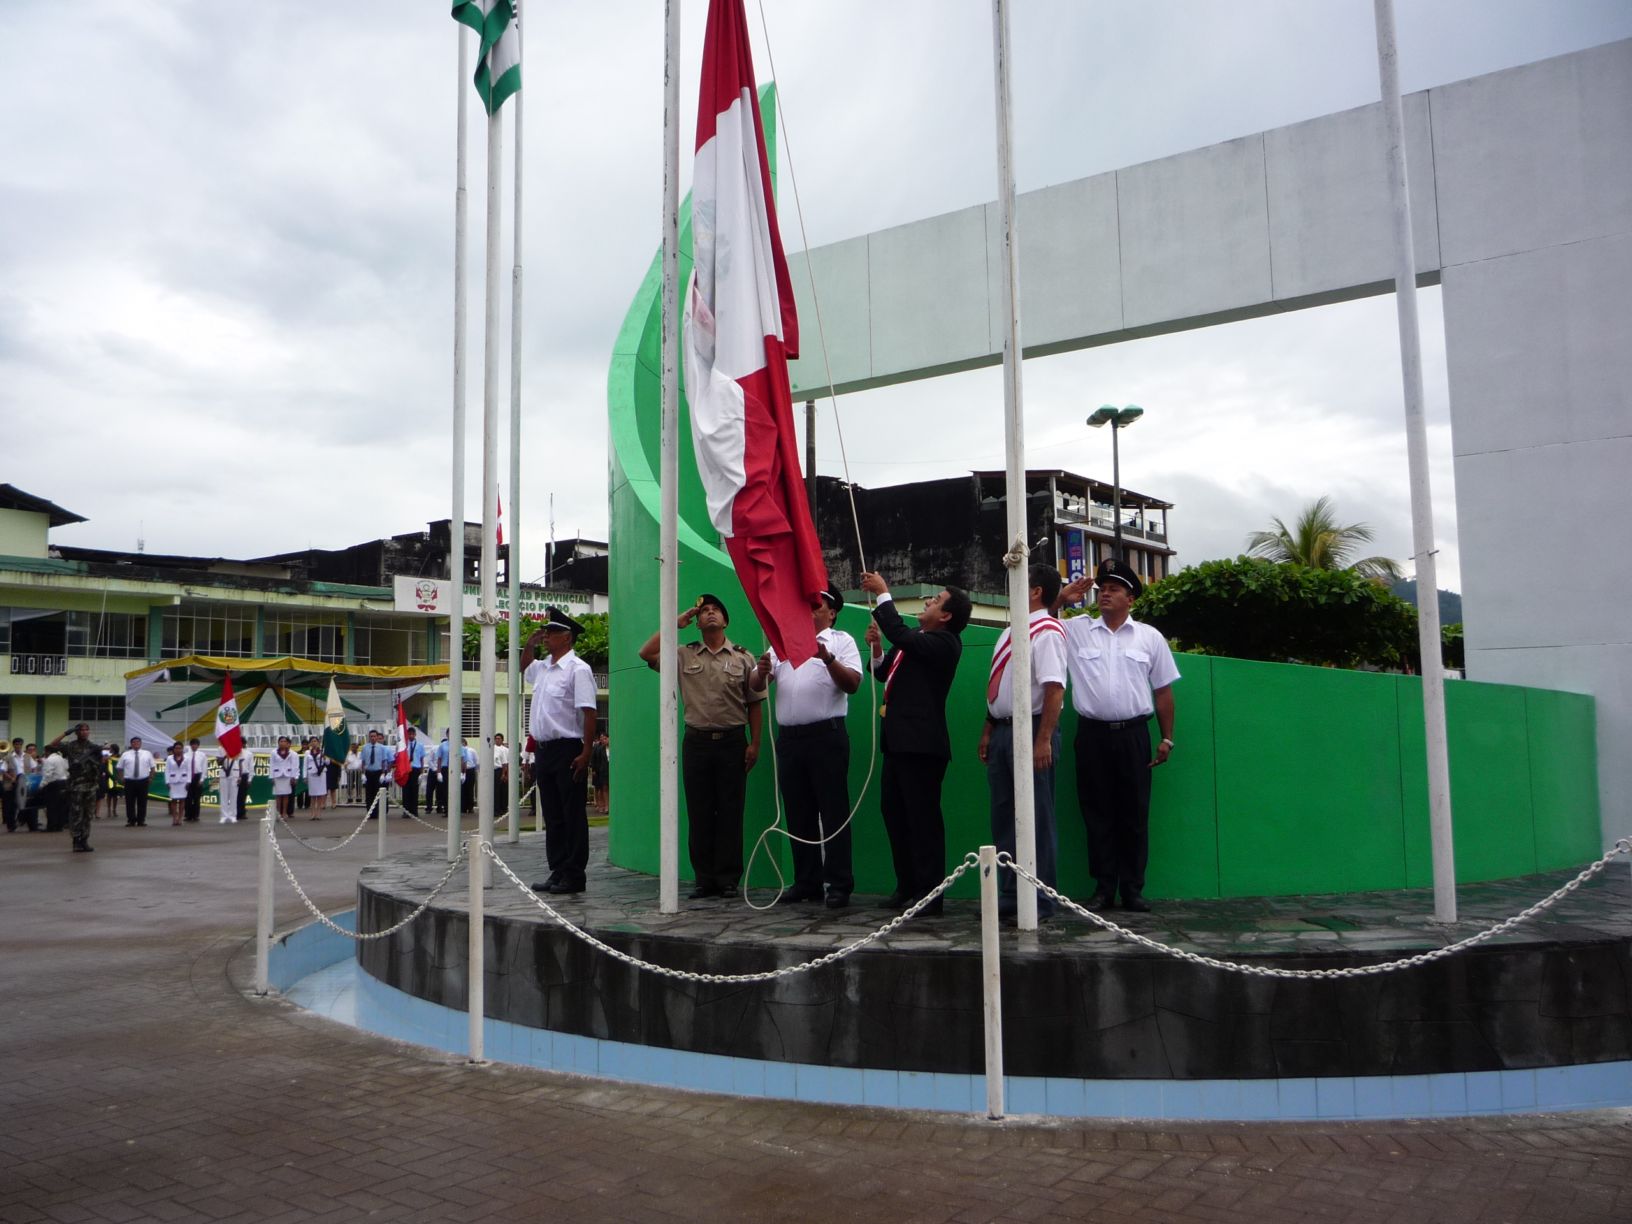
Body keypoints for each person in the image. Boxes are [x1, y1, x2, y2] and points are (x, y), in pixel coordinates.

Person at [1055, 557, 1180, 913]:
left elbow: (1163, 692)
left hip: (1134, 736)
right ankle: (1103, 887)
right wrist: (1063, 598)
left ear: (1131, 598)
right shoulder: (1077, 629)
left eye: (1114, 590)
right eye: (1102, 589)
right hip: (1092, 736)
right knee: (1096, 813)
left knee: (1134, 814)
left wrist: (1166, 737)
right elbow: (1038, 622)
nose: (1105, 594)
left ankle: (1133, 889)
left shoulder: (1149, 638)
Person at [638, 593, 764, 901]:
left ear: (725, 620)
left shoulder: (743, 657)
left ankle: (728, 878)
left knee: (731, 813)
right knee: (700, 812)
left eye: (715, 610)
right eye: (704, 611)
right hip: (697, 743)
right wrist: (675, 623)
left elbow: (755, 704)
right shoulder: (683, 654)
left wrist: (755, 744)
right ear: (696, 622)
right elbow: (646, 653)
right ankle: (704, 879)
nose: (709, 614)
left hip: (733, 741)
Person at [860, 571, 970, 916]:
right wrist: (877, 650)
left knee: (922, 819)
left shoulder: (944, 643)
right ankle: (906, 885)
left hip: (922, 746)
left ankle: (929, 893)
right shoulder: (915, 641)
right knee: (895, 814)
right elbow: (882, 672)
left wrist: (883, 594)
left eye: (935, 601)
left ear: (947, 616)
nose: (927, 602)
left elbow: (899, 632)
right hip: (897, 742)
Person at [750, 585, 861, 909]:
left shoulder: (841, 642)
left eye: (818, 605)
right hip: (791, 739)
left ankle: (839, 883)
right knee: (799, 814)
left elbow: (852, 684)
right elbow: (756, 686)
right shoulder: (783, 641)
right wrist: (761, 671)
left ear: (832, 612)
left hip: (826, 736)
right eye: (808, 603)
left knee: (834, 811)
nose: (811, 609)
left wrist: (826, 658)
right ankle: (807, 881)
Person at [979, 564, 1069, 921]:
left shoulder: (1047, 631)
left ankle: (1041, 897)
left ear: (1035, 592)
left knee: (1036, 817)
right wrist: (988, 729)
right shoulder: (1011, 631)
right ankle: (1010, 896)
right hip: (1003, 729)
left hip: (1032, 729)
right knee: (1004, 816)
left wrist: (1044, 738)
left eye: (1019, 583)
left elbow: (1054, 689)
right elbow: (1001, 687)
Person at [521, 608, 599, 895]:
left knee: (572, 813)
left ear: (567, 638)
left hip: (568, 748)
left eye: (551, 633)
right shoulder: (543, 667)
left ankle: (574, 874)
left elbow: (588, 713)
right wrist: (529, 644)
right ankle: (558, 869)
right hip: (544, 749)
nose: (546, 637)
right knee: (552, 814)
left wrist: (586, 752)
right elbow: (524, 668)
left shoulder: (578, 669)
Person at [118, 737, 155, 827]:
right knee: (129, 801)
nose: (136, 744)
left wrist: (150, 778)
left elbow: (153, 768)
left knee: (142, 801)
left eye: (138, 742)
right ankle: (131, 820)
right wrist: (122, 778)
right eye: (134, 742)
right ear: (131, 744)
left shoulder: (147, 754)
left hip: (143, 780)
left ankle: (141, 820)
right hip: (129, 781)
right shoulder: (125, 754)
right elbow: (119, 768)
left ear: (141, 743)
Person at [217, 744, 252, 824]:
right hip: (223, 773)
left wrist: (240, 776)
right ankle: (224, 816)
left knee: (234, 796)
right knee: (223, 796)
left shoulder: (237, 747)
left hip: (235, 774)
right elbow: (218, 763)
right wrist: (226, 755)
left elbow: (240, 763)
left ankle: (233, 815)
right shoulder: (220, 748)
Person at [267, 736, 300, 819]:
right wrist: (272, 777)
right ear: (278, 743)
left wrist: (294, 777)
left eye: (284, 741)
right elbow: (272, 765)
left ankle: (284, 812)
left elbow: (293, 765)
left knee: (286, 795)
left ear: (287, 743)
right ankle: (278, 812)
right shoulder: (274, 752)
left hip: (287, 775)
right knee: (278, 795)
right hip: (277, 775)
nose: (283, 743)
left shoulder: (291, 753)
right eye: (281, 741)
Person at [360, 729, 390, 818]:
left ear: (377, 737)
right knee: (369, 793)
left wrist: (383, 773)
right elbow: (363, 762)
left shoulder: (381, 748)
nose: (373, 738)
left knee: (377, 793)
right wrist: (363, 773)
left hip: (378, 772)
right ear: (369, 737)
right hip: (369, 772)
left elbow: (384, 761)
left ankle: (377, 812)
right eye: (371, 736)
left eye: (374, 736)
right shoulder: (365, 747)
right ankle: (370, 812)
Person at [38, 746, 68, 833]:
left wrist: (41, 785)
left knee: (52, 807)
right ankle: (59, 826)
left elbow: (47, 774)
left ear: (48, 751)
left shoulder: (50, 760)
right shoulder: (61, 759)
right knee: (61, 806)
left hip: (53, 785)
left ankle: (51, 827)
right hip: (64, 783)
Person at [163, 742, 194, 826]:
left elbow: (189, 770)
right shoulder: (169, 758)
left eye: (180, 748)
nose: (178, 750)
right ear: (174, 749)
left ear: (182, 749)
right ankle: (174, 818)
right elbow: (167, 771)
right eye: (176, 748)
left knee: (182, 800)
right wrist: (167, 781)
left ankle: (180, 818)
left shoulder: (187, 758)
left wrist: (188, 781)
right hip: (173, 781)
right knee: (173, 800)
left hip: (183, 781)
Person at [400, 726, 424, 817]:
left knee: (414, 790)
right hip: (406, 769)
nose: (411, 736)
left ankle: (414, 811)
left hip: (415, 769)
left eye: (412, 734)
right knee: (405, 791)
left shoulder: (420, 745)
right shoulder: (404, 745)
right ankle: (406, 811)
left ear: (415, 735)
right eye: (409, 734)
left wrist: (421, 772)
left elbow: (421, 759)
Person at [1, 737, 23, 832]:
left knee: (19, 803)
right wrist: (12, 778)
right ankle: (11, 825)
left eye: (19, 744)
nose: (18, 746)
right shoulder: (8, 757)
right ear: (13, 745)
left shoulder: (25, 756)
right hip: (11, 782)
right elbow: (2, 770)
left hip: (21, 781)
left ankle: (20, 821)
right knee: (10, 804)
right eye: (16, 744)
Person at [183, 738, 208, 823]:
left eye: (196, 744)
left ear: (198, 746)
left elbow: (204, 768)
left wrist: (202, 779)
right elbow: (184, 769)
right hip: (188, 777)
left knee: (197, 798)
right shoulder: (186, 755)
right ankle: (188, 815)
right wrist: (186, 780)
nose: (194, 746)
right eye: (192, 744)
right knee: (188, 798)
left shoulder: (202, 755)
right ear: (190, 745)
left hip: (198, 776)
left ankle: (196, 815)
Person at [303, 740, 328, 818]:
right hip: (311, 774)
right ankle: (312, 813)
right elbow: (305, 765)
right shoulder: (307, 752)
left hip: (320, 774)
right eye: (312, 741)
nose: (314, 743)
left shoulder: (322, 751)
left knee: (320, 795)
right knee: (313, 795)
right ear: (310, 743)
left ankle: (318, 813)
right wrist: (305, 776)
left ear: (318, 743)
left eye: (315, 741)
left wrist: (324, 757)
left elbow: (328, 762)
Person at [589, 733, 609, 815]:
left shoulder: (613, 748)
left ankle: (607, 805)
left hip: (610, 771)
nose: (603, 740)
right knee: (602, 789)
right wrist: (594, 769)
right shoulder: (599, 748)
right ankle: (604, 805)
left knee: (608, 789)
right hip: (602, 771)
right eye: (602, 738)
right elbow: (596, 760)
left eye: (605, 738)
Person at [491, 733, 510, 817]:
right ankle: (496, 809)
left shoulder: (505, 750)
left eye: (499, 738)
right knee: (496, 791)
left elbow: (506, 763)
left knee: (503, 791)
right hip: (493, 771)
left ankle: (503, 808)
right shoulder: (492, 748)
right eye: (496, 738)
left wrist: (505, 774)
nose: (497, 740)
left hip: (501, 770)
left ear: (502, 740)